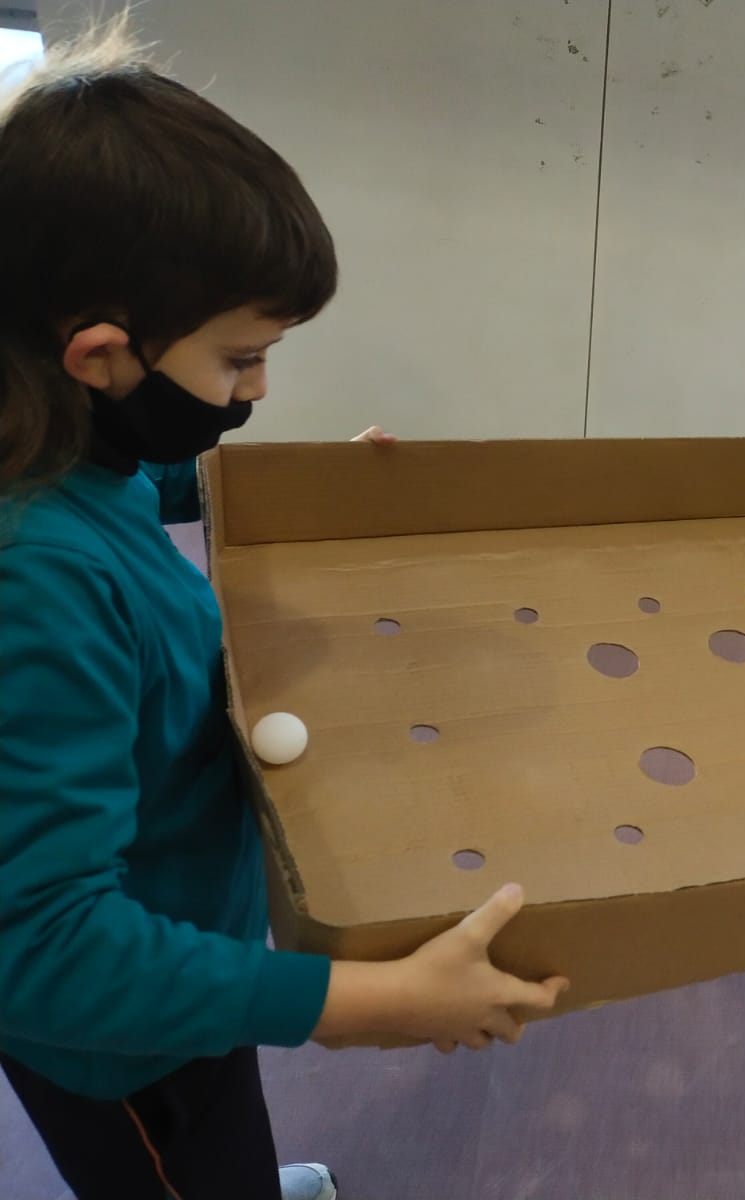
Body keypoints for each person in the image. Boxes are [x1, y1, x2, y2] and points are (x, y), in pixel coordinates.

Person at [0, 19, 568, 1200]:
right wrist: (368, 1002)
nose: (258, 389)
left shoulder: (57, 438)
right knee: (185, 1156)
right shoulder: (35, 584)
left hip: (188, 951)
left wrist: (299, 484)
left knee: (226, 1119)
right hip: (124, 1049)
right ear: (98, 356)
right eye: (238, 360)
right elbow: (46, 949)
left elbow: (133, 478)